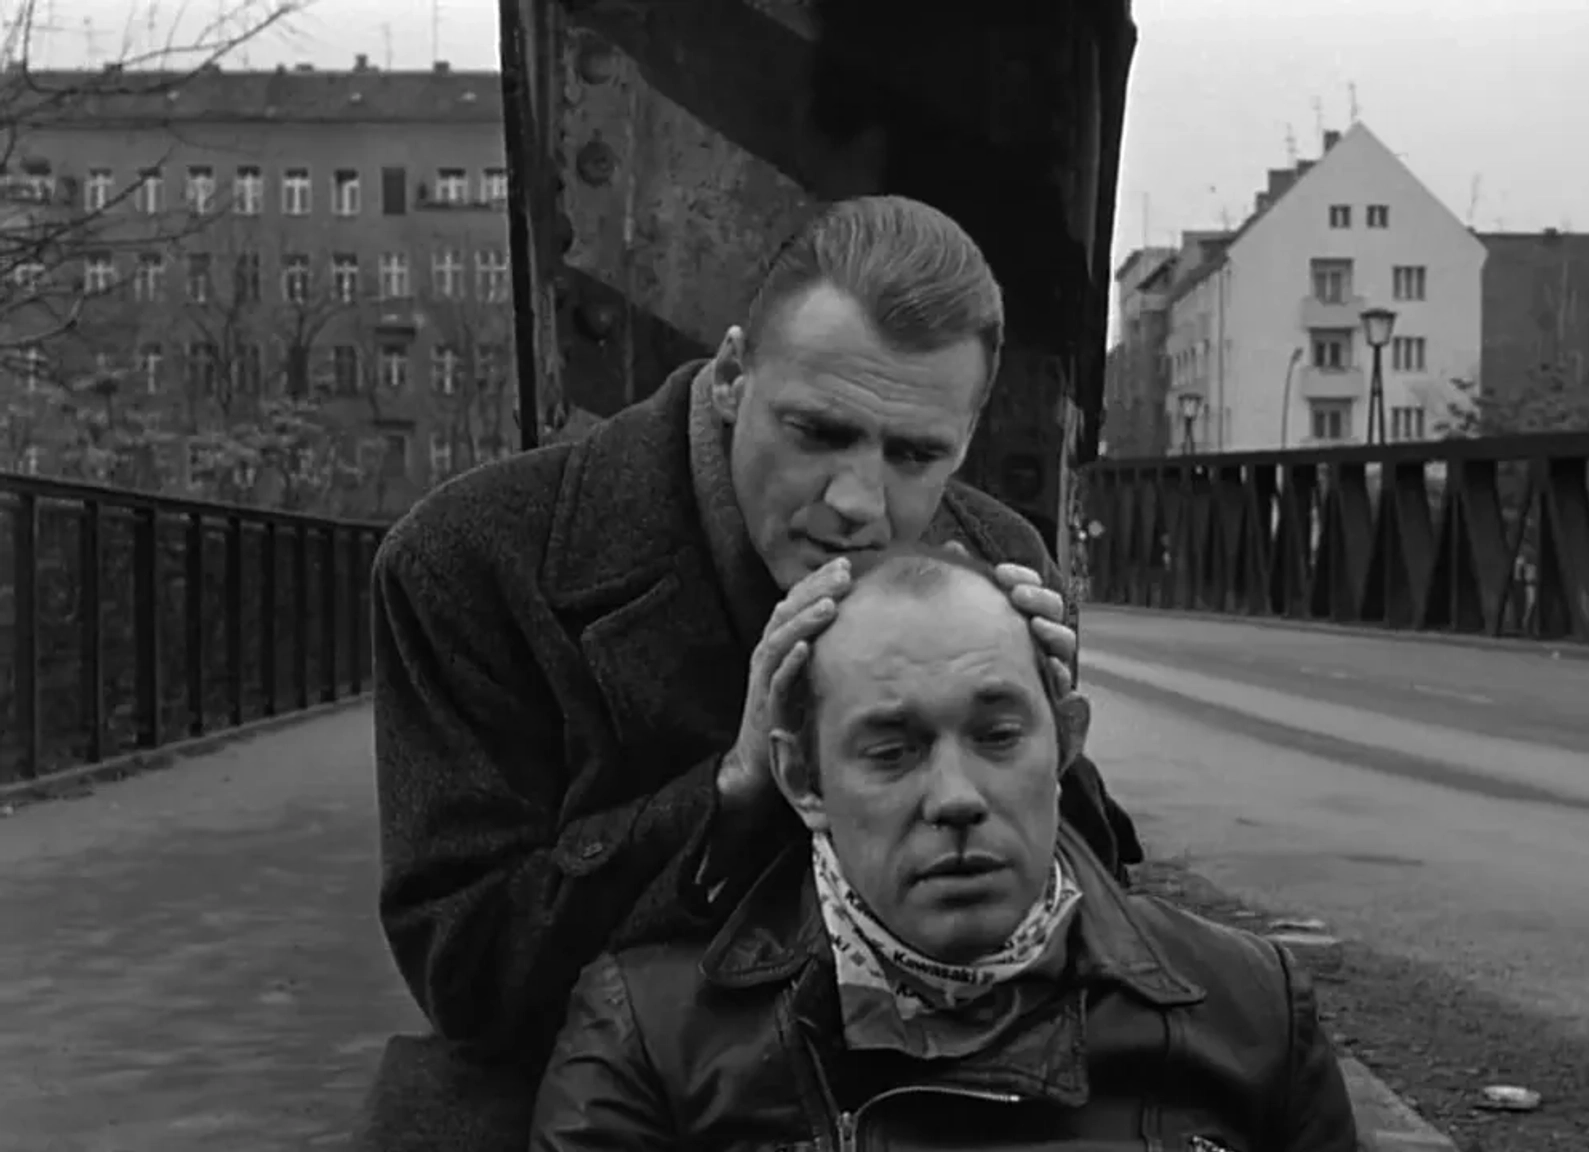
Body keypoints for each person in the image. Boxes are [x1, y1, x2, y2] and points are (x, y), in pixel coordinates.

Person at [354, 195, 1142, 1152]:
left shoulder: (994, 552)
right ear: (731, 377)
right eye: (817, 433)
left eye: (915, 454)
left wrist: (1047, 763)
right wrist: (730, 795)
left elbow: (1098, 944)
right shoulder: (472, 562)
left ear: (965, 440)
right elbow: (472, 974)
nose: (859, 502)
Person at [529, 545, 1359, 1152]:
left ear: (1064, 744)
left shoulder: (1248, 1012)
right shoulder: (654, 1038)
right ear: (803, 780)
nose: (957, 796)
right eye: (892, 752)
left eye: (999, 735)